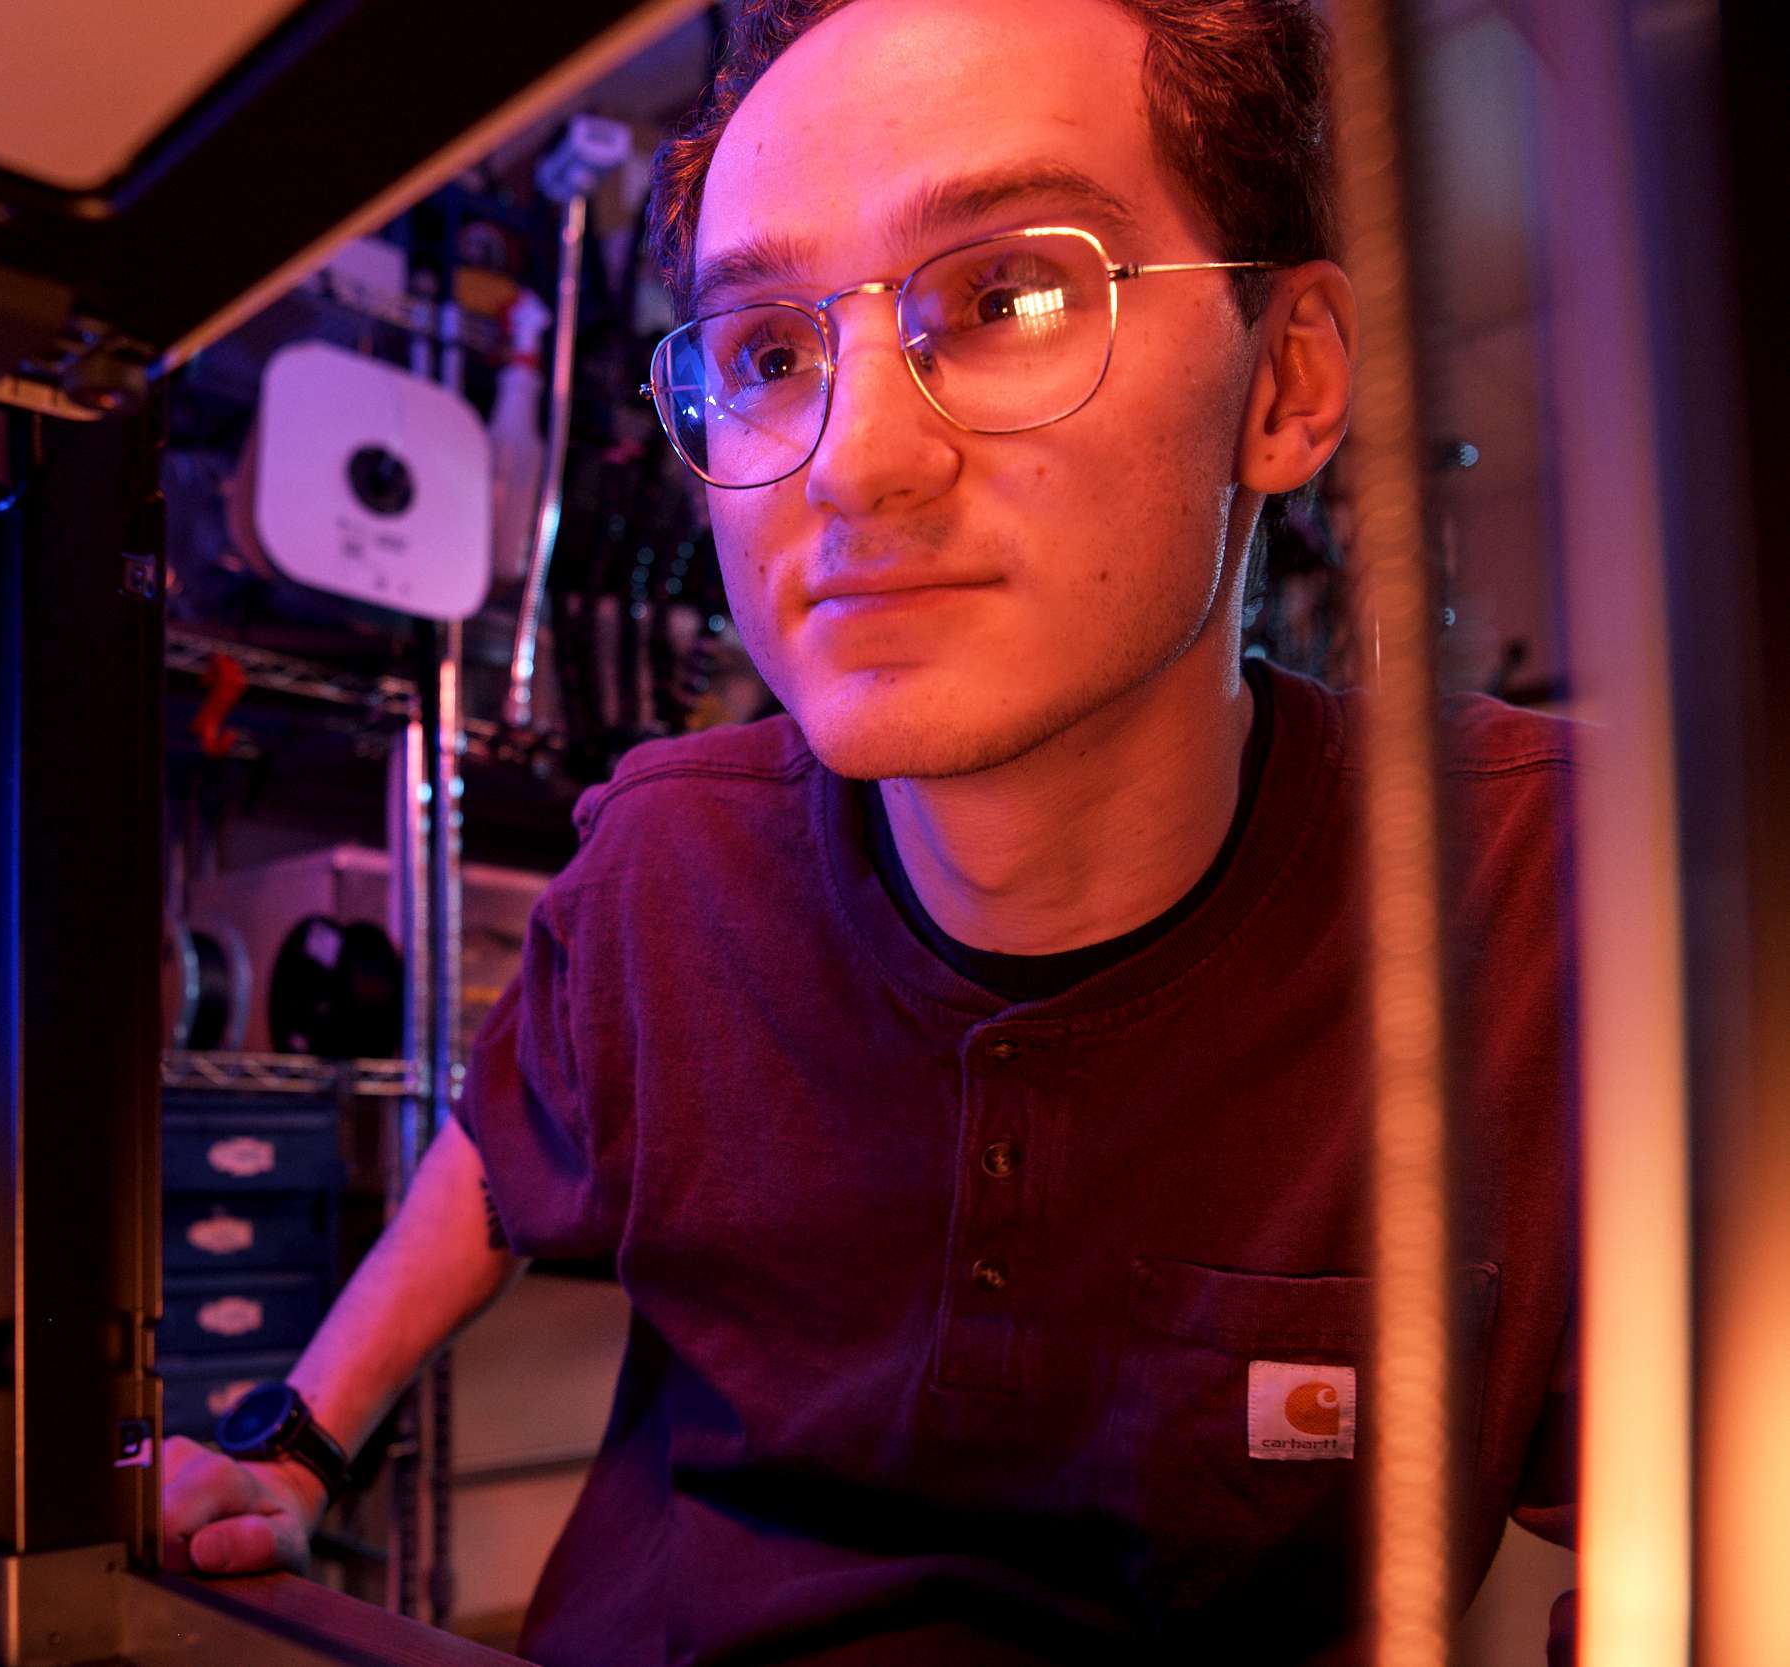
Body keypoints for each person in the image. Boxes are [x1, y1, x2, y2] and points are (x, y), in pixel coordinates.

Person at [161, 1, 1577, 1661]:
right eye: (769, 354)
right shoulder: (667, 867)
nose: (853, 465)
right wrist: (304, 1440)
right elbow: (504, 1143)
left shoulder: (1534, 902)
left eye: (1010, 295)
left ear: (1288, 383)